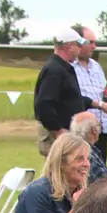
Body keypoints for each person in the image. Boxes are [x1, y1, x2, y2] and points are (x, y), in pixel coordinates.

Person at [10, 132, 90, 213]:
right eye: (79, 159)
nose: (87, 164)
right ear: (61, 162)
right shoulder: (37, 192)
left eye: (87, 159)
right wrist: (76, 209)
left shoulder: (76, 192)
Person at [33, 29, 90, 157]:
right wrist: (58, 131)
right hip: (58, 135)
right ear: (69, 46)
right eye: (78, 45)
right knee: (58, 174)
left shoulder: (62, 68)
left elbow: (69, 99)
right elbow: (43, 104)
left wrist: (97, 104)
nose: (80, 49)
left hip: (65, 133)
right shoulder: (54, 70)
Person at [71, 25, 107, 161]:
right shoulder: (69, 67)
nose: (94, 46)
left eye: (95, 42)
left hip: (101, 128)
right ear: (78, 42)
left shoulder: (96, 66)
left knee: (101, 172)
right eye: (90, 42)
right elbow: (72, 98)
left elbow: (102, 92)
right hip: (82, 129)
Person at [70, 111, 107, 183]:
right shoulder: (87, 153)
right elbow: (103, 182)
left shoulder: (70, 148)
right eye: (98, 125)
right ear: (94, 130)